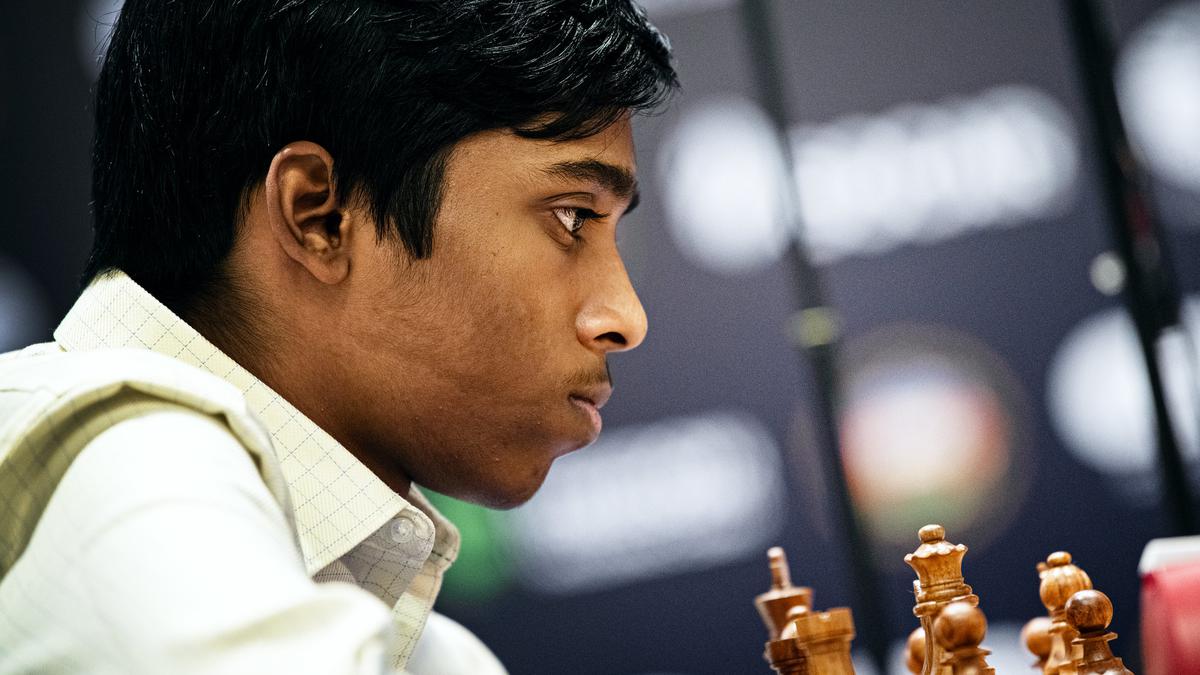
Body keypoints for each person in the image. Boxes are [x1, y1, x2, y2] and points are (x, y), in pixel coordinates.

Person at [0, 1, 677, 673]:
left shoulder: (436, 657)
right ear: (317, 214)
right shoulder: (121, 469)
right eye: (572, 216)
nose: (626, 316)